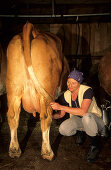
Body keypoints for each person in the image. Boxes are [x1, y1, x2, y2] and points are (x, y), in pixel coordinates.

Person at [50, 68, 107, 163]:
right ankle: (80, 132)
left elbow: (83, 112)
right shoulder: (66, 94)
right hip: (80, 120)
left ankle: (94, 146)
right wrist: (49, 117)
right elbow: (61, 114)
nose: (70, 85)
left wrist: (61, 107)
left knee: (86, 117)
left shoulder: (87, 90)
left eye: (73, 83)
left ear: (79, 83)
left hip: (95, 120)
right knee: (63, 129)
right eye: (68, 82)